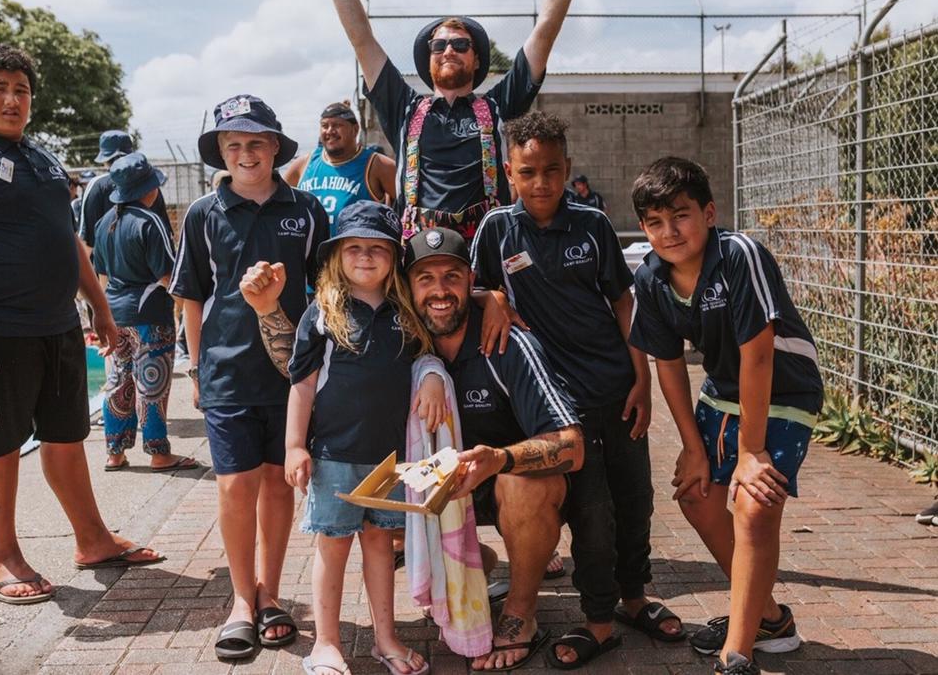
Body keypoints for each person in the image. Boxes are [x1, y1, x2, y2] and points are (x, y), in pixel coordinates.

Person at [0, 44, 164, 605]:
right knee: (0, 444)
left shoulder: (45, 162)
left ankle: (93, 540)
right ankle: (2, 559)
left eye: (22, 90)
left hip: (58, 324)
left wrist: (100, 309)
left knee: (66, 437)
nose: (12, 100)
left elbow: (69, 242)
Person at [471, 111, 683, 668]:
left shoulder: (592, 225)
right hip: (561, 403)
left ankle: (635, 598)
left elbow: (623, 301)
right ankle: (598, 620)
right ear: (510, 174)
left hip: (617, 387)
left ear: (567, 168)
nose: (541, 182)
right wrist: (493, 297)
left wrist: (641, 379)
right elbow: (473, 289)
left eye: (552, 170)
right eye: (528, 172)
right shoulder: (496, 229)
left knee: (635, 499)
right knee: (592, 511)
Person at [629, 156, 824, 675]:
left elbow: (758, 355)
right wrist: (693, 449)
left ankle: (736, 655)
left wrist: (750, 451)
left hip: (784, 388)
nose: (669, 232)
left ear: (709, 213)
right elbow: (668, 364)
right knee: (696, 494)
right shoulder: (650, 278)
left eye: (681, 215)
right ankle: (769, 620)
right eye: (655, 222)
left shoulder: (739, 255)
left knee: (754, 504)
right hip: (723, 393)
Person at [241, 201, 444, 675]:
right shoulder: (322, 313)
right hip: (334, 455)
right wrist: (294, 446)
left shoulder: (406, 312)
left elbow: (423, 358)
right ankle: (326, 643)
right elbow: (302, 384)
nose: (366, 256)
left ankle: (385, 638)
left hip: (389, 458)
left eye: (378, 248)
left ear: (394, 258)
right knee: (332, 548)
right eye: (354, 247)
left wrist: (433, 374)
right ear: (336, 255)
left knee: (379, 546)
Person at [171, 94, 329, 658]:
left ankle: (270, 593)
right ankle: (241, 599)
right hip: (226, 371)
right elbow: (191, 297)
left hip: (290, 374)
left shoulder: (306, 210)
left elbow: (325, 289)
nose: (246, 153)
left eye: (256, 143)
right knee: (235, 485)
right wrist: (196, 367)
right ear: (221, 151)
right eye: (234, 144)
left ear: (275, 147)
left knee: (278, 482)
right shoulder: (202, 214)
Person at [315, 0, 592, 241]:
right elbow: (361, 39)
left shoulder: (499, 106)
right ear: (429, 58)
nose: (448, 51)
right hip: (420, 253)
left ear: (477, 60)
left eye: (461, 45)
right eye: (439, 45)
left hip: (487, 250)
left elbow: (544, 32)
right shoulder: (403, 107)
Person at [404, 227, 587, 671]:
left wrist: (500, 459)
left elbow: (572, 447)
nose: (439, 291)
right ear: (407, 288)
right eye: (425, 279)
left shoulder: (508, 343)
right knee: (363, 498)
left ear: (471, 281)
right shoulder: (401, 341)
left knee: (522, 485)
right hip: (440, 489)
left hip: (502, 483)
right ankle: (474, 563)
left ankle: (520, 613)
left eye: (452, 276)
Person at [93, 152, 198, 473]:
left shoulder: (104, 222)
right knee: (152, 384)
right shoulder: (150, 221)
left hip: (115, 314)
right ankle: (158, 453)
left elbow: (102, 274)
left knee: (118, 381)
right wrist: (187, 306)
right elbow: (169, 275)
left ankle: (114, 452)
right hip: (149, 314)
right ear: (148, 189)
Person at [283, 100, 397, 231]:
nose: (330, 131)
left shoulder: (376, 164)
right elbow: (277, 204)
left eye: (337, 125)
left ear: (355, 129)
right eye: (324, 126)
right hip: (311, 244)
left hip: (355, 243)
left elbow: (411, 206)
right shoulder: (303, 164)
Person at [78, 129, 173, 257]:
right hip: (150, 265)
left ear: (105, 158)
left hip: (106, 266)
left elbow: (87, 242)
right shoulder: (150, 185)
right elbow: (166, 234)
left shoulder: (96, 186)